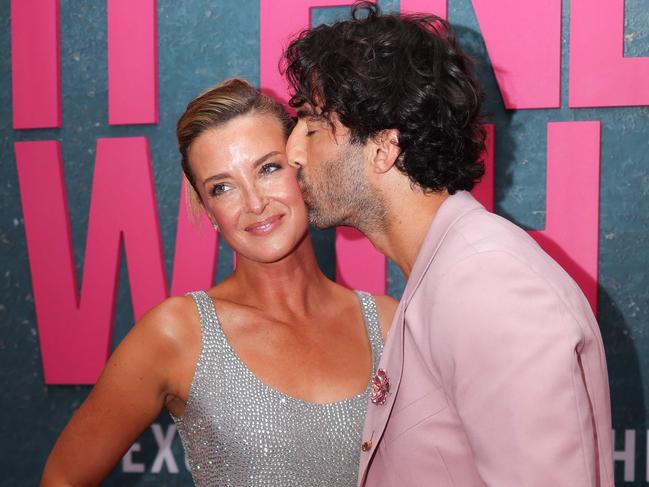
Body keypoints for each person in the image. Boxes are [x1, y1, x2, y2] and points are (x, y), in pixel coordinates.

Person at [282, 3, 614, 486]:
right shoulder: (448, 272)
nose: (292, 150)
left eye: (313, 125)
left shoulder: (488, 285)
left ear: (383, 147)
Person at [40, 79, 397, 486]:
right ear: (208, 210)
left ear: (301, 167)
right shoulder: (179, 333)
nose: (254, 202)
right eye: (222, 187)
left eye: (268, 168)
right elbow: (62, 478)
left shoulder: (387, 325)